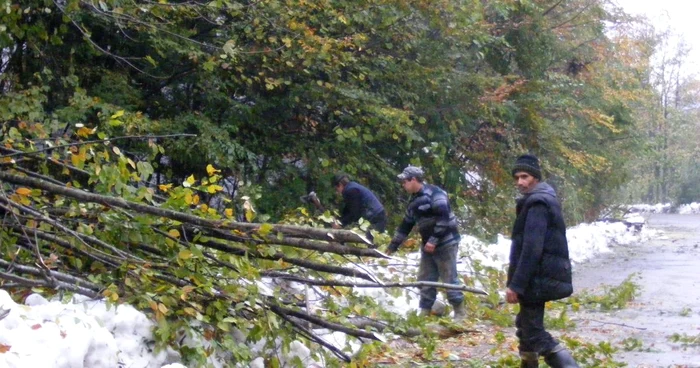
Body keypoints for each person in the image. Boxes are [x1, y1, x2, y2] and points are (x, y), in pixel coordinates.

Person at [506, 154, 579, 368]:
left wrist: (516, 285)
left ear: (535, 178)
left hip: (537, 278)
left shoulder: (538, 203)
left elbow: (531, 250)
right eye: (517, 177)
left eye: (525, 176)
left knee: (534, 332)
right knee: (525, 327)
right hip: (538, 276)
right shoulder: (538, 199)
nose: (520, 182)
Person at [386, 165, 466, 322]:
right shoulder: (414, 202)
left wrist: (434, 240)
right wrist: (392, 246)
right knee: (425, 278)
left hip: (446, 243)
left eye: (405, 182)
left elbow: (444, 218)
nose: (403, 185)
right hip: (428, 246)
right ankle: (425, 312)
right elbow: (406, 225)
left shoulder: (435, 194)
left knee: (449, 278)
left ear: (414, 180)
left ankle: (460, 312)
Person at [331, 173, 387, 240]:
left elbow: (354, 213)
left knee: (369, 241)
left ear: (340, 185)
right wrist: (339, 220)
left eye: (336, 189)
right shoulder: (351, 188)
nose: (337, 192)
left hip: (376, 217)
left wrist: (341, 224)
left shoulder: (352, 191)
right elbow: (348, 209)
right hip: (375, 215)